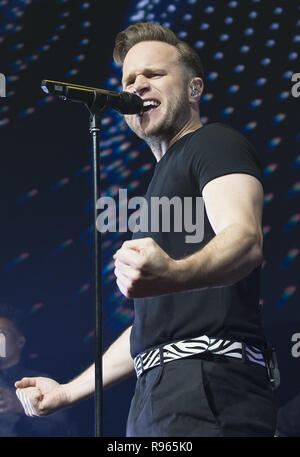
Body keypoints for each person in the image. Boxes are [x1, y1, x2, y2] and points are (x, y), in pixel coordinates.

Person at [15, 22, 277, 437]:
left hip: (206, 386)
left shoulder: (213, 144)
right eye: (129, 79)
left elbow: (245, 241)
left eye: (154, 75)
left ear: (193, 89)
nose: (137, 85)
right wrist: (68, 392)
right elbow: (152, 326)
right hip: (158, 390)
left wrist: (172, 273)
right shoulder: (161, 182)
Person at [0, 303, 76, 436]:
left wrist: (20, 406)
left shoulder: (39, 381)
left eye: (2, 333)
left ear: (20, 342)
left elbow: (62, 429)